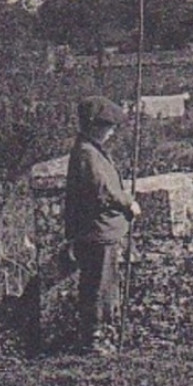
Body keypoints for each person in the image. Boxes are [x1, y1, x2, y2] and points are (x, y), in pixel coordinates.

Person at [63, 95, 142, 352]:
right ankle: (93, 340)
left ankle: (101, 335)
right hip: (97, 232)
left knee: (104, 286)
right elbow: (103, 190)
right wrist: (127, 202)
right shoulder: (87, 154)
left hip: (102, 231)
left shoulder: (91, 151)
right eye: (108, 126)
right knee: (98, 288)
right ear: (94, 126)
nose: (112, 131)